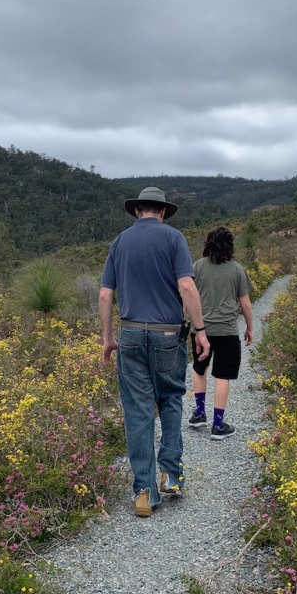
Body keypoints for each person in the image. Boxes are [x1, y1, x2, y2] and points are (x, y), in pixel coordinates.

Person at [99, 187, 210, 518]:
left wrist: (108, 338)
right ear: (162, 211)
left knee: (137, 411)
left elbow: (106, 295)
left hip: (130, 334)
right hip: (166, 335)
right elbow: (187, 286)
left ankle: (144, 493)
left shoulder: (119, 243)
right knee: (171, 399)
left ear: (137, 212)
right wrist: (200, 330)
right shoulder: (174, 239)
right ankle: (171, 476)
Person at [189, 226, 254, 439]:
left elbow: (187, 296)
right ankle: (218, 425)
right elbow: (245, 304)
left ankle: (199, 413)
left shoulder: (197, 266)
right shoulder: (237, 269)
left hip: (200, 330)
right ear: (230, 246)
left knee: (199, 368)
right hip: (227, 330)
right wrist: (250, 328)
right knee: (222, 376)